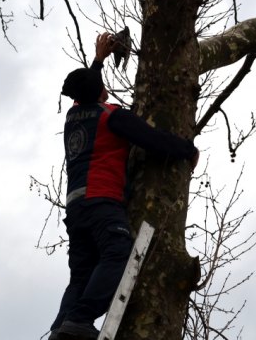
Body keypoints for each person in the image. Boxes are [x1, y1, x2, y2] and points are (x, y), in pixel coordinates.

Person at [49, 33, 199, 339]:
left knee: (80, 275)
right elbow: (152, 139)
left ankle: (60, 330)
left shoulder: (74, 116)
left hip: (76, 209)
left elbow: (86, 89)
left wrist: (99, 60)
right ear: (99, 93)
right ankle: (79, 319)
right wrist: (187, 150)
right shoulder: (111, 117)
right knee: (117, 253)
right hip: (101, 202)